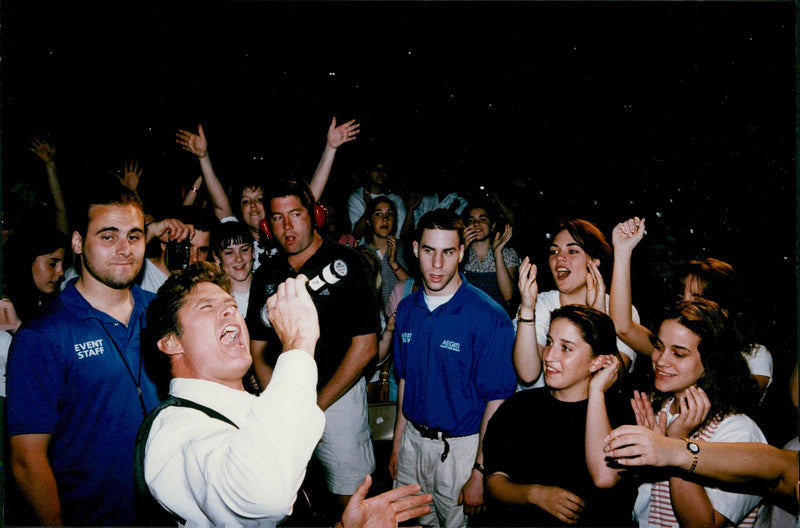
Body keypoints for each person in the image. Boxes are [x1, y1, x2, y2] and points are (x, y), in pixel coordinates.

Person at [139, 264, 432, 527]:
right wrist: (299, 341)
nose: (230, 311)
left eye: (230, 304)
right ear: (170, 341)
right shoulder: (174, 429)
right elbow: (261, 494)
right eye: (206, 307)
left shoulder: (251, 409)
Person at [6, 183, 162, 525]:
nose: (124, 249)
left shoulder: (163, 313)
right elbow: (27, 460)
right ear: (77, 243)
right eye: (108, 236)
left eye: (134, 237)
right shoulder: (42, 336)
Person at [244, 179, 381, 521]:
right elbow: (258, 348)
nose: (287, 226)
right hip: (286, 404)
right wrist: (282, 401)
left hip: (337, 400)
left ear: (315, 215)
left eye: (296, 214)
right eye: (277, 218)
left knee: (350, 504)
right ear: (267, 225)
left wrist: (314, 406)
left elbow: (365, 347)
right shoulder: (266, 275)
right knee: (286, 500)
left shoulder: (347, 263)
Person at [586, 299, 767, 527]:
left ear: (711, 363)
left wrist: (675, 446)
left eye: (679, 354)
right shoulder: (658, 408)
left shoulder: (738, 431)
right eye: (659, 347)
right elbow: (606, 476)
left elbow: (702, 525)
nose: (661, 361)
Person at [389, 209, 517, 527]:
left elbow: (497, 400)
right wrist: (397, 447)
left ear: (461, 252)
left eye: (448, 252)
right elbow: (404, 380)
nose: (437, 264)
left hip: (461, 451)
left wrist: (480, 472)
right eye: (429, 250)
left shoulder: (489, 316)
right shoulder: (406, 309)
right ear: (416, 248)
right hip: (413, 444)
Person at [482, 305, 636, 526]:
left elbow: (606, 478)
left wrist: (596, 393)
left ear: (597, 362)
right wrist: (534, 494)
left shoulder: (620, 415)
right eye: (550, 342)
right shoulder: (519, 407)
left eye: (566, 348)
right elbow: (494, 483)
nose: (549, 355)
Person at [609, 217, 774, 394]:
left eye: (697, 299)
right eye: (682, 297)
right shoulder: (669, 347)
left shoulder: (754, 354)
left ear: (725, 309)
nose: (686, 304)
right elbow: (622, 327)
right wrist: (622, 252)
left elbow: (745, 398)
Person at [175, 117, 360, 269]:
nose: (254, 207)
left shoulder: (284, 233)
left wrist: (331, 148)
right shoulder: (238, 236)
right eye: (246, 201)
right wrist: (203, 157)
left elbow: (311, 195)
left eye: (259, 200)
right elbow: (219, 203)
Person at [513, 218, 641, 388]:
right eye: (554, 252)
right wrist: (528, 309)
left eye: (572, 251)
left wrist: (599, 315)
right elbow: (528, 375)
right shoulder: (539, 303)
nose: (560, 258)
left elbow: (614, 379)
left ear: (594, 260)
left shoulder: (621, 311)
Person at [139, 205, 215, 294]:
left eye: (202, 250)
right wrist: (152, 230)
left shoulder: (200, 285)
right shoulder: (140, 273)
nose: (195, 258)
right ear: (164, 244)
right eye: (188, 248)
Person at [461, 199, 520, 314]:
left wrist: (497, 252)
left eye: (482, 219)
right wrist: (461, 252)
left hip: (497, 320)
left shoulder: (507, 254)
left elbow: (508, 296)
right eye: (471, 220)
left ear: (492, 226)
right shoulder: (459, 252)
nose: (476, 223)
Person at [359, 195, 410, 308]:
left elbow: (414, 288)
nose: (385, 219)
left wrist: (394, 263)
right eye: (378, 214)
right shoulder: (360, 255)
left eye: (389, 214)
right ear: (368, 221)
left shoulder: (405, 248)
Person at [347, 160, 407, 242]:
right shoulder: (357, 198)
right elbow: (356, 234)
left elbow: (402, 234)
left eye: (384, 170)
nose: (381, 173)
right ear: (368, 172)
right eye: (377, 169)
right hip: (365, 252)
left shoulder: (396, 199)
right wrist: (369, 209)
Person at [210, 220, 255, 315]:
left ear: (253, 252)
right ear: (217, 257)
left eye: (244, 250)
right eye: (229, 253)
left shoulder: (269, 287)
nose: (239, 259)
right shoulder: (212, 297)